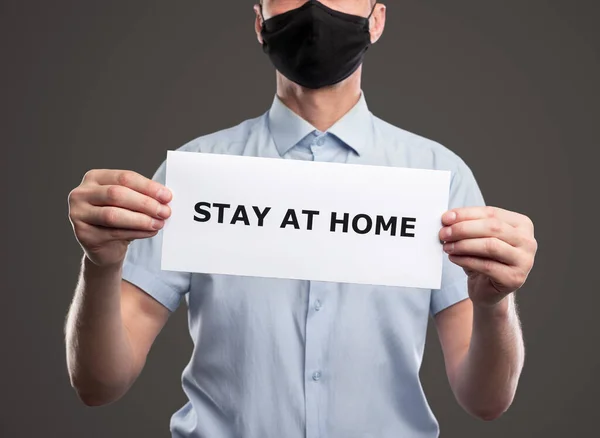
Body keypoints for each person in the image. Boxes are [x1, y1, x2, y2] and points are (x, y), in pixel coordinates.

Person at [64, 1, 538, 437]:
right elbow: (99, 384)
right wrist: (101, 265)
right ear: (260, 22)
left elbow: (486, 401)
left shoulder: (440, 178)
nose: (316, 8)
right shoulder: (194, 175)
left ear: (376, 19)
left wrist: (495, 305)